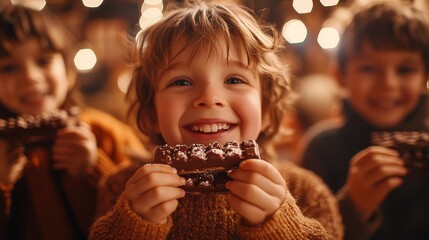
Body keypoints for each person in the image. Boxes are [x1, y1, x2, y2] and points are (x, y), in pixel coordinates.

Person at [89, 1, 344, 239]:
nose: (209, 98)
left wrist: (281, 225)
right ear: (151, 114)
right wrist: (134, 225)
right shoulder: (122, 190)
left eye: (234, 80)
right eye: (181, 82)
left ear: (266, 108)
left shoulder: (306, 191)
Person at [0, 5, 148, 240]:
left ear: (68, 70)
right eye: (8, 67)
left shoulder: (106, 133)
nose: (30, 77)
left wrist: (91, 170)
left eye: (43, 61)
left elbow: (134, 221)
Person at [299, 1, 429, 239]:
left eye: (405, 70)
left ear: (425, 77)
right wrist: (353, 207)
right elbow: (302, 231)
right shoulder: (322, 148)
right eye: (368, 68)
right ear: (340, 75)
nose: (388, 84)